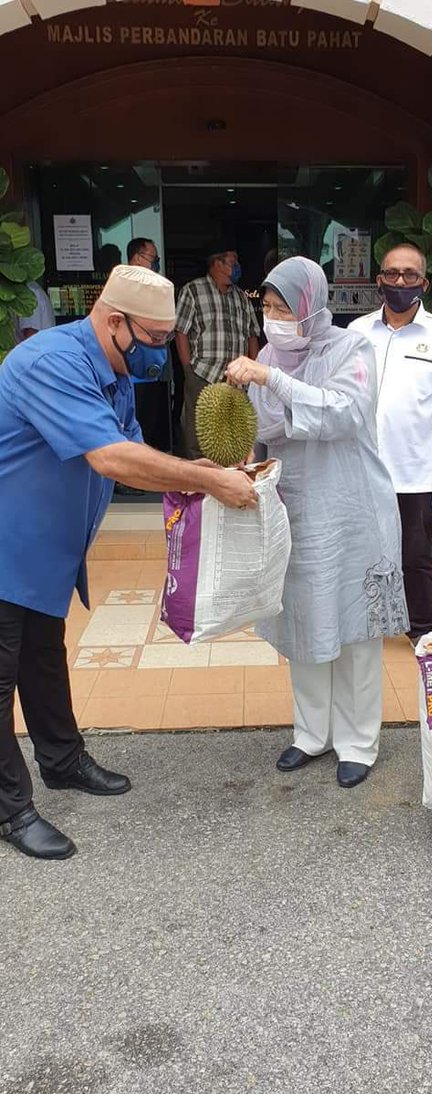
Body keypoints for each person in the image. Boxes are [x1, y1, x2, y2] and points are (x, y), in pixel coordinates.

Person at [0, 264, 257, 863]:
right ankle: (10, 808)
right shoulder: (53, 363)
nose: (160, 352)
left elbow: (137, 448)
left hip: (43, 553)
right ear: (114, 321)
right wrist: (207, 480)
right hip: (8, 547)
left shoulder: (112, 368)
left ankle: (61, 760)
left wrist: (198, 474)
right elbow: (112, 458)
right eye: (155, 338)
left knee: (42, 658)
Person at [226, 256, 409, 789]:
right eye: (268, 307)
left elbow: (344, 413)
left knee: (354, 630)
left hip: (352, 511)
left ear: (311, 305)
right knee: (303, 621)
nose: (274, 318)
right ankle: (311, 733)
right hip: (299, 510)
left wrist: (273, 380)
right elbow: (265, 430)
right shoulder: (268, 356)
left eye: (285, 308)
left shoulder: (352, 348)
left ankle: (358, 741)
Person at [350, 243, 432, 642]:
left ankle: (421, 630)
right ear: (379, 280)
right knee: (361, 550)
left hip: (417, 472)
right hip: (363, 467)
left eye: (410, 275)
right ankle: (364, 623)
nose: (400, 281)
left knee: (415, 556)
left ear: (424, 283)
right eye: (392, 274)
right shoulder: (357, 333)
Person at [175, 249, 260, 459]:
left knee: (234, 435)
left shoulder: (241, 297)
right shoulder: (193, 291)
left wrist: (255, 368)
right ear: (217, 263)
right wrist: (188, 370)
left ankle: (230, 474)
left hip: (237, 377)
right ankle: (199, 477)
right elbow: (181, 331)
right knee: (198, 436)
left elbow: (252, 335)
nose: (237, 266)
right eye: (233, 262)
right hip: (203, 373)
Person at [126, 236, 173, 457]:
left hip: (153, 372)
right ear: (137, 259)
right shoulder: (124, 288)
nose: (156, 263)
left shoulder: (154, 288)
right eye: (153, 258)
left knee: (149, 431)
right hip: (130, 375)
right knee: (131, 431)